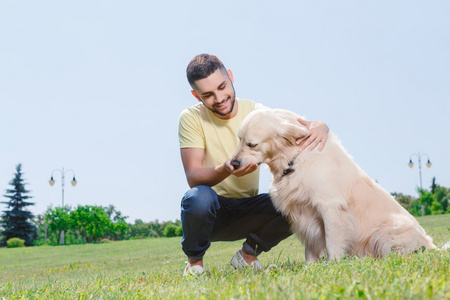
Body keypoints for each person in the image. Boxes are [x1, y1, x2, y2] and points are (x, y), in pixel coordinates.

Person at [178, 54, 329, 276]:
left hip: (250, 209)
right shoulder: (190, 118)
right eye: (208, 95)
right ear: (196, 95)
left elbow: (299, 126)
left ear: (230, 77)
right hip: (212, 212)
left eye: (222, 87)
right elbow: (193, 176)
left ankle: (247, 257)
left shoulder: (257, 113)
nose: (219, 98)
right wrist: (226, 169)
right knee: (197, 197)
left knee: (297, 201)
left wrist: (322, 126)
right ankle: (195, 264)